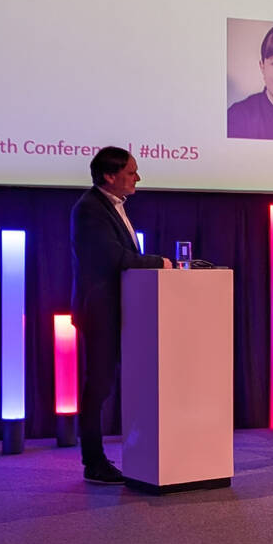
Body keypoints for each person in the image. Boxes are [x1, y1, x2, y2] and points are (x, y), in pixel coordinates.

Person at [70, 147, 172, 484]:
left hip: (122, 308)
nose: (137, 177)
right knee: (97, 385)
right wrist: (162, 263)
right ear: (109, 176)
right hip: (100, 311)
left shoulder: (112, 206)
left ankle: (130, 452)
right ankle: (93, 461)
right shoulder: (89, 209)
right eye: (131, 172)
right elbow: (113, 258)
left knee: (112, 383)